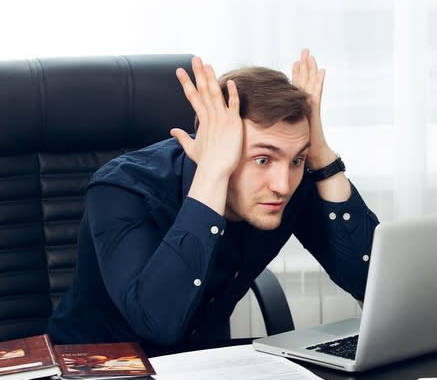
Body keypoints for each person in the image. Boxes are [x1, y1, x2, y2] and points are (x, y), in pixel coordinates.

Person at [47, 49, 379, 354]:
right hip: (95, 376)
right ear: (217, 145)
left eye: (296, 159)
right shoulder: (121, 189)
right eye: (262, 159)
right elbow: (157, 324)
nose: (281, 185)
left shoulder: (288, 182)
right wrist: (212, 177)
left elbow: (371, 282)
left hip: (203, 369)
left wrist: (320, 156)